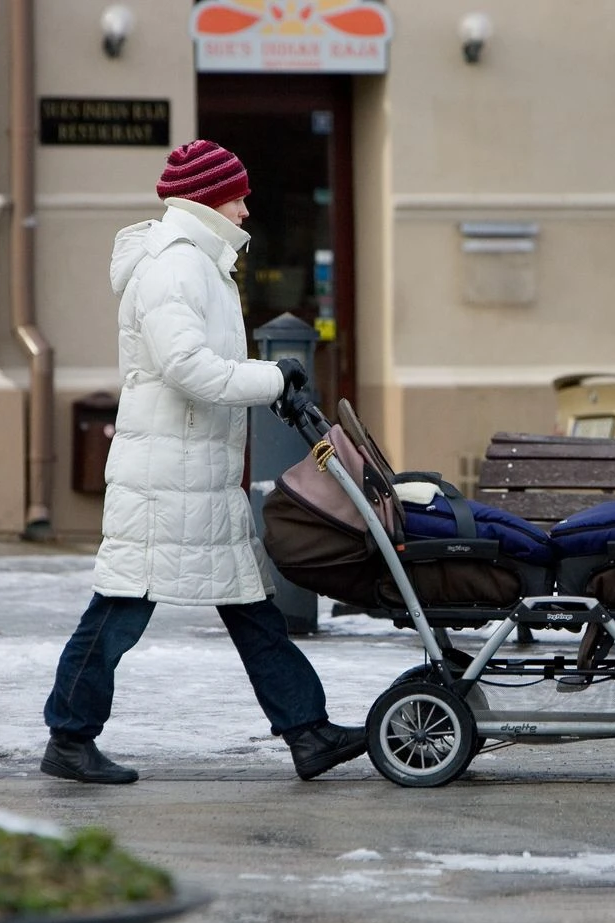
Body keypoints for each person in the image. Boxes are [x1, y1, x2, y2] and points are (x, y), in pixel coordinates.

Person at [40, 139, 367, 784]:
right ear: (208, 200)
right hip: (164, 480)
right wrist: (272, 378)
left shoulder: (202, 264)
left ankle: (308, 732)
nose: (245, 210)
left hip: (197, 475)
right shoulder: (176, 266)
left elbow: (205, 366)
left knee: (251, 606)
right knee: (121, 607)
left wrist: (269, 380)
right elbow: (187, 368)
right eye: (237, 197)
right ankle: (69, 737)